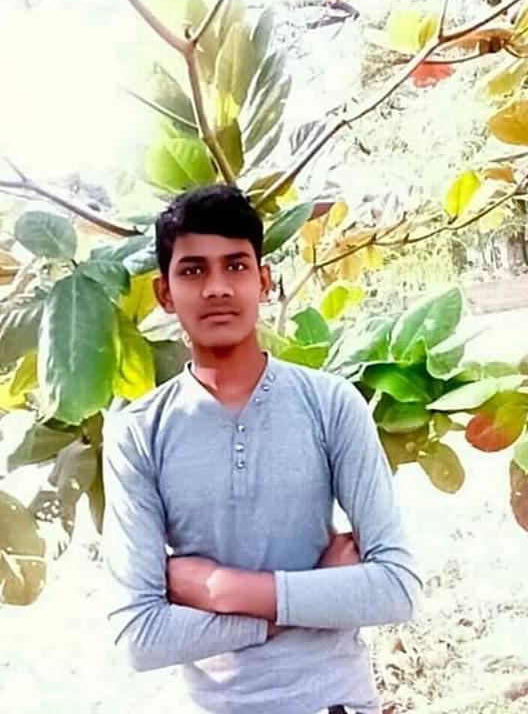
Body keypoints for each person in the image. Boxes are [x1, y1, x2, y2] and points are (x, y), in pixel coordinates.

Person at [102, 184, 422, 714]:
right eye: (193, 271)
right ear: (164, 294)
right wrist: (306, 598)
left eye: (236, 266)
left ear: (264, 281)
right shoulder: (139, 433)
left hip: (333, 701)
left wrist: (219, 588)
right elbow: (140, 635)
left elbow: (396, 589)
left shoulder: (330, 404)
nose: (217, 288)